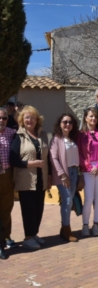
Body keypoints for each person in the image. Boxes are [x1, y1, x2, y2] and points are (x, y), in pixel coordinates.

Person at [10, 106, 50, 250]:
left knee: (39, 208)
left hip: (41, 179)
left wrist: (49, 176)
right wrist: (30, 163)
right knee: (28, 209)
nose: (30, 120)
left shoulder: (43, 134)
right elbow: (13, 160)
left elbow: (48, 157)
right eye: (27, 117)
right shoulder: (18, 136)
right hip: (26, 180)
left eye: (32, 117)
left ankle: (34, 234)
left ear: (37, 119)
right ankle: (27, 237)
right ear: (22, 120)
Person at [78, 107, 98, 237]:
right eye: (91, 116)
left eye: (95, 117)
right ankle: (85, 225)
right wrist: (89, 167)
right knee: (89, 198)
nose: (93, 119)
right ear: (85, 118)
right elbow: (79, 153)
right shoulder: (80, 134)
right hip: (87, 168)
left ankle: (96, 224)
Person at [49, 113, 80, 242]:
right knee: (67, 202)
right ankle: (67, 230)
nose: (68, 124)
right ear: (60, 124)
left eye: (70, 122)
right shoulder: (56, 138)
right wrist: (62, 175)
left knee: (70, 201)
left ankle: (63, 229)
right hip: (64, 173)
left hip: (74, 172)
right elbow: (53, 158)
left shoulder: (74, 138)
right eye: (65, 122)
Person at [0, 108, 17, 249]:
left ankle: (6, 236)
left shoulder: (12, 133)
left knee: (6, 207)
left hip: (7, 174)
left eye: (4, 118)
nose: (1, 121)